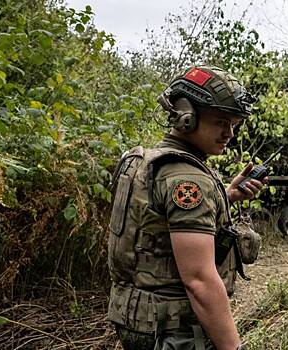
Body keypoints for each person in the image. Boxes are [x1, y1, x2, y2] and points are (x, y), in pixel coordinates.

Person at [107, 65, 263, 350]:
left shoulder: (146, 161)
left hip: (136, 320)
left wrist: (226, 196)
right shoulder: (187, 177)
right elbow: (200, 281)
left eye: (233, 124)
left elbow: (156, 226)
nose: (229, 133)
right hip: (173, 330)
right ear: (186, 116)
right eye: (221, 122)